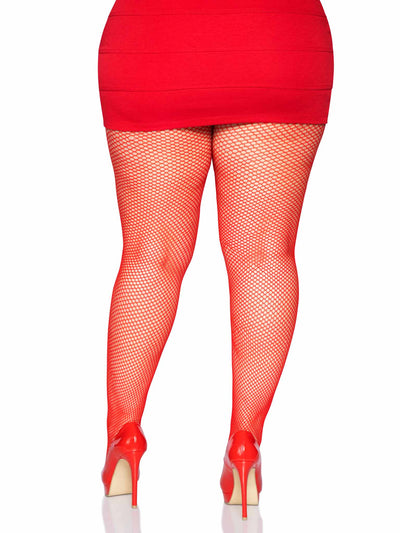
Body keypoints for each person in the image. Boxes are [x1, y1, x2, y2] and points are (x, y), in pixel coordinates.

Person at [97, 0, 334, 520]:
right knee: (264, 254)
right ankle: (245, 446)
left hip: (154, 42)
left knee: (150, 255)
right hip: (276, 41)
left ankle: (123, 439)